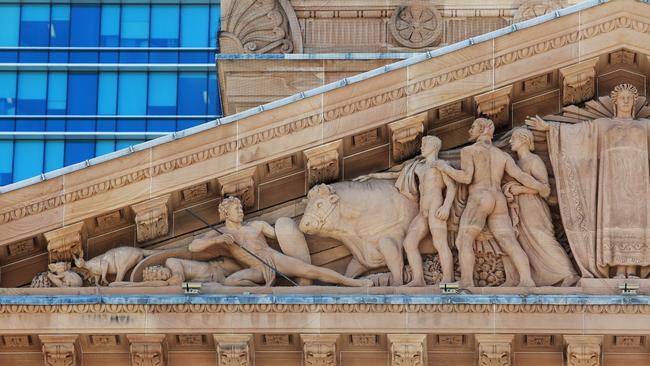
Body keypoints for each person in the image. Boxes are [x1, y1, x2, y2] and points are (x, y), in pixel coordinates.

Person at [434, 118, 549, 287]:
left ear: (482, 130)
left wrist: (445, 168)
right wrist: (541, 186)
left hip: (480, 197)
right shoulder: (502, 155)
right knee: (509, 241)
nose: (469, 131)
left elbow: (466, 178)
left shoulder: (469, 150)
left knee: (464, 239)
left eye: (473, 127)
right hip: (499, 199)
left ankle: (466, 282)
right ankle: (527, 280)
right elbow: (521, 176)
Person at [188, 197, 373, 287]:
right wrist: (218, 240)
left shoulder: (257, 226)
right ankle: (263, 290)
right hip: (256, 270)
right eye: (236, 208)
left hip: (273, 259)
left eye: (241, 208)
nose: (241, 211)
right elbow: (193, 246)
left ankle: (352, 283)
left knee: (311, 270)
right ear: (226, 213)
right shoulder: (222, 234)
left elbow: (282, 234)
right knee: (230, 283)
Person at [504, 127, 579, 286]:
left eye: (514, 138)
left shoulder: (534, 160)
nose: (510, 141)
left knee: (542, 238)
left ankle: (569, 273)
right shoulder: (515, 163)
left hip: (534, 206)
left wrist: (521, 189)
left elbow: (545, 189)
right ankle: (544, 278)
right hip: (520, 207)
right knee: (526, 242)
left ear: (524, 139)